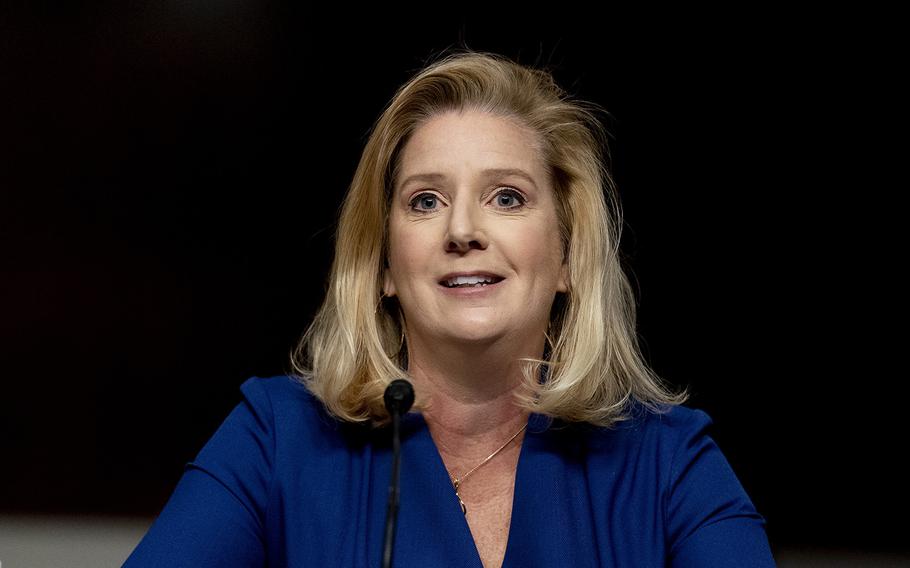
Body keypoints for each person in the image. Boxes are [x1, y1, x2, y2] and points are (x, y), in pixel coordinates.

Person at [123, 50, 775, 567]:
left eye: (508, 198)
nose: (462, 229)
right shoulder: (274, 439)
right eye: (425, 201)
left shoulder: (669, 462)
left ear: (570, 258)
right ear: (383, 264)